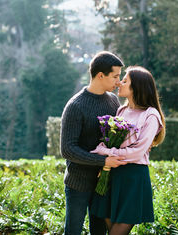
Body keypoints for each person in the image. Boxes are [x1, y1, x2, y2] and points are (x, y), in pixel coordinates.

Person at [90, 66, 166, 235]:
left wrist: (107, 153)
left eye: (124, 81)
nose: (119, 83)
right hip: (113, 175)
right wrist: (104, 150)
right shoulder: (121, 110)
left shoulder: (151, 115)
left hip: (134, 177)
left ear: (136, 87)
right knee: (112, 229)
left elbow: (138, 152)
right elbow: (110, 142)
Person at [60, 51, 128, 235]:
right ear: (100, 75)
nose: (118, 82)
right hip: (78, 184)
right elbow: (67, 149)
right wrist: (103, 162)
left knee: (99, 232)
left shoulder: (113, 101)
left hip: (104, 184)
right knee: (72, 231)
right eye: (115, 76)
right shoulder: (75, 106)